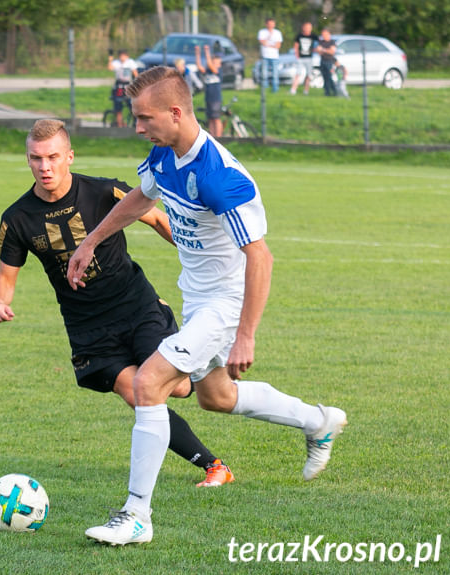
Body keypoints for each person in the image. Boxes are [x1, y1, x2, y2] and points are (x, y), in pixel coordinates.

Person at [66, 67, 347, 545]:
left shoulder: (219, 177)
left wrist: (245, 334)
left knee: (148, 383)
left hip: (227, 303)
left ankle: (136, 516)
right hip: (197, 299)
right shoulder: (163, 154)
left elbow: (260, 256)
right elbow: (140, 198)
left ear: (176, 113)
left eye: (144, 117)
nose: (137, 126)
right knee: (217, 397)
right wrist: (91, 240)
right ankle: (319, 421)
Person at [0, 118, 234, 488]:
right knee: (139, 393)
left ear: (69, 155)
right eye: (36, 158)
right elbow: (6, 278)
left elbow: (160, 221)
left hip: (138, 308)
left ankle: (215, 379)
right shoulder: (17, 218)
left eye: (53, 156)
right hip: (88, 330)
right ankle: (214, 466)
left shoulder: (105, 192)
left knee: (180, 388)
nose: (45, 166)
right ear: (28, 160)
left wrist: (204, 258)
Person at [195, 44, 223, 138]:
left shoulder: (218, 71)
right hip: (208, 98)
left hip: (216, 99)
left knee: (216, 119)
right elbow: (199, 66)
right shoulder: (208, 71)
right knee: (210, 119)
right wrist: (198, 53)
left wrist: (207, 52)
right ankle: (212, 137)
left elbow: (210, 65)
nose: (213, 64)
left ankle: (219, 138)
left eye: (215, 62)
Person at [107, 50, 138, 127]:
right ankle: (120, 124)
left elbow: (135, 73)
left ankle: (135, 122)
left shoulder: (130, 62)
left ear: (127, 56)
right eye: (121, 56)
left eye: (124, 56)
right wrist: (110, 59)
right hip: (119, 86)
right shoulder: (116, 63)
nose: (122, 58)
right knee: (118, 105)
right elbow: (110, 68)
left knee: (131, 104)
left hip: (127, 85)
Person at [291, 22, 319, 95]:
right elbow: (296, 46)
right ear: (303, 28)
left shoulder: (314, 36)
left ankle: (306, 90)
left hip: (309, 58)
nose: (307, 29)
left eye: (309, 27)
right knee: (298, 73)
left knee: (309, 74)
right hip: (300, 58)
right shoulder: (299, 36)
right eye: (306, 27)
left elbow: (318, 46)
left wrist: (315, 50)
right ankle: (293, 89)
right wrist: (297, 55)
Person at [257, 17, 283, 93]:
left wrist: (268, 44)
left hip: (274, 56)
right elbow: (262, 42)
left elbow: (278, 45)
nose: (271, 26)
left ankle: (275, 90)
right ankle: (265, 89)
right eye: (269, 24)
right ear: (266, 24)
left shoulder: (278, 33)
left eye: (272, 24)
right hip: (265, 56)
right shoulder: (262, 32)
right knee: (264, 74)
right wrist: (269, 36)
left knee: (275, 74)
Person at [317, 28, 338, 97]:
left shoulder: (332, 42)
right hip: (322, 61)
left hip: (329, 61)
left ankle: (334, 91)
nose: (323, 36)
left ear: (329, 34)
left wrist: (323, 49)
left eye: (325, 34)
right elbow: (318, 51)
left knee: (329, 77)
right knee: (325, 77)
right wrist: (326, 50)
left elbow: (332, 52)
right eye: (322, 35)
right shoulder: (321, 42)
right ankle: (327, 92)